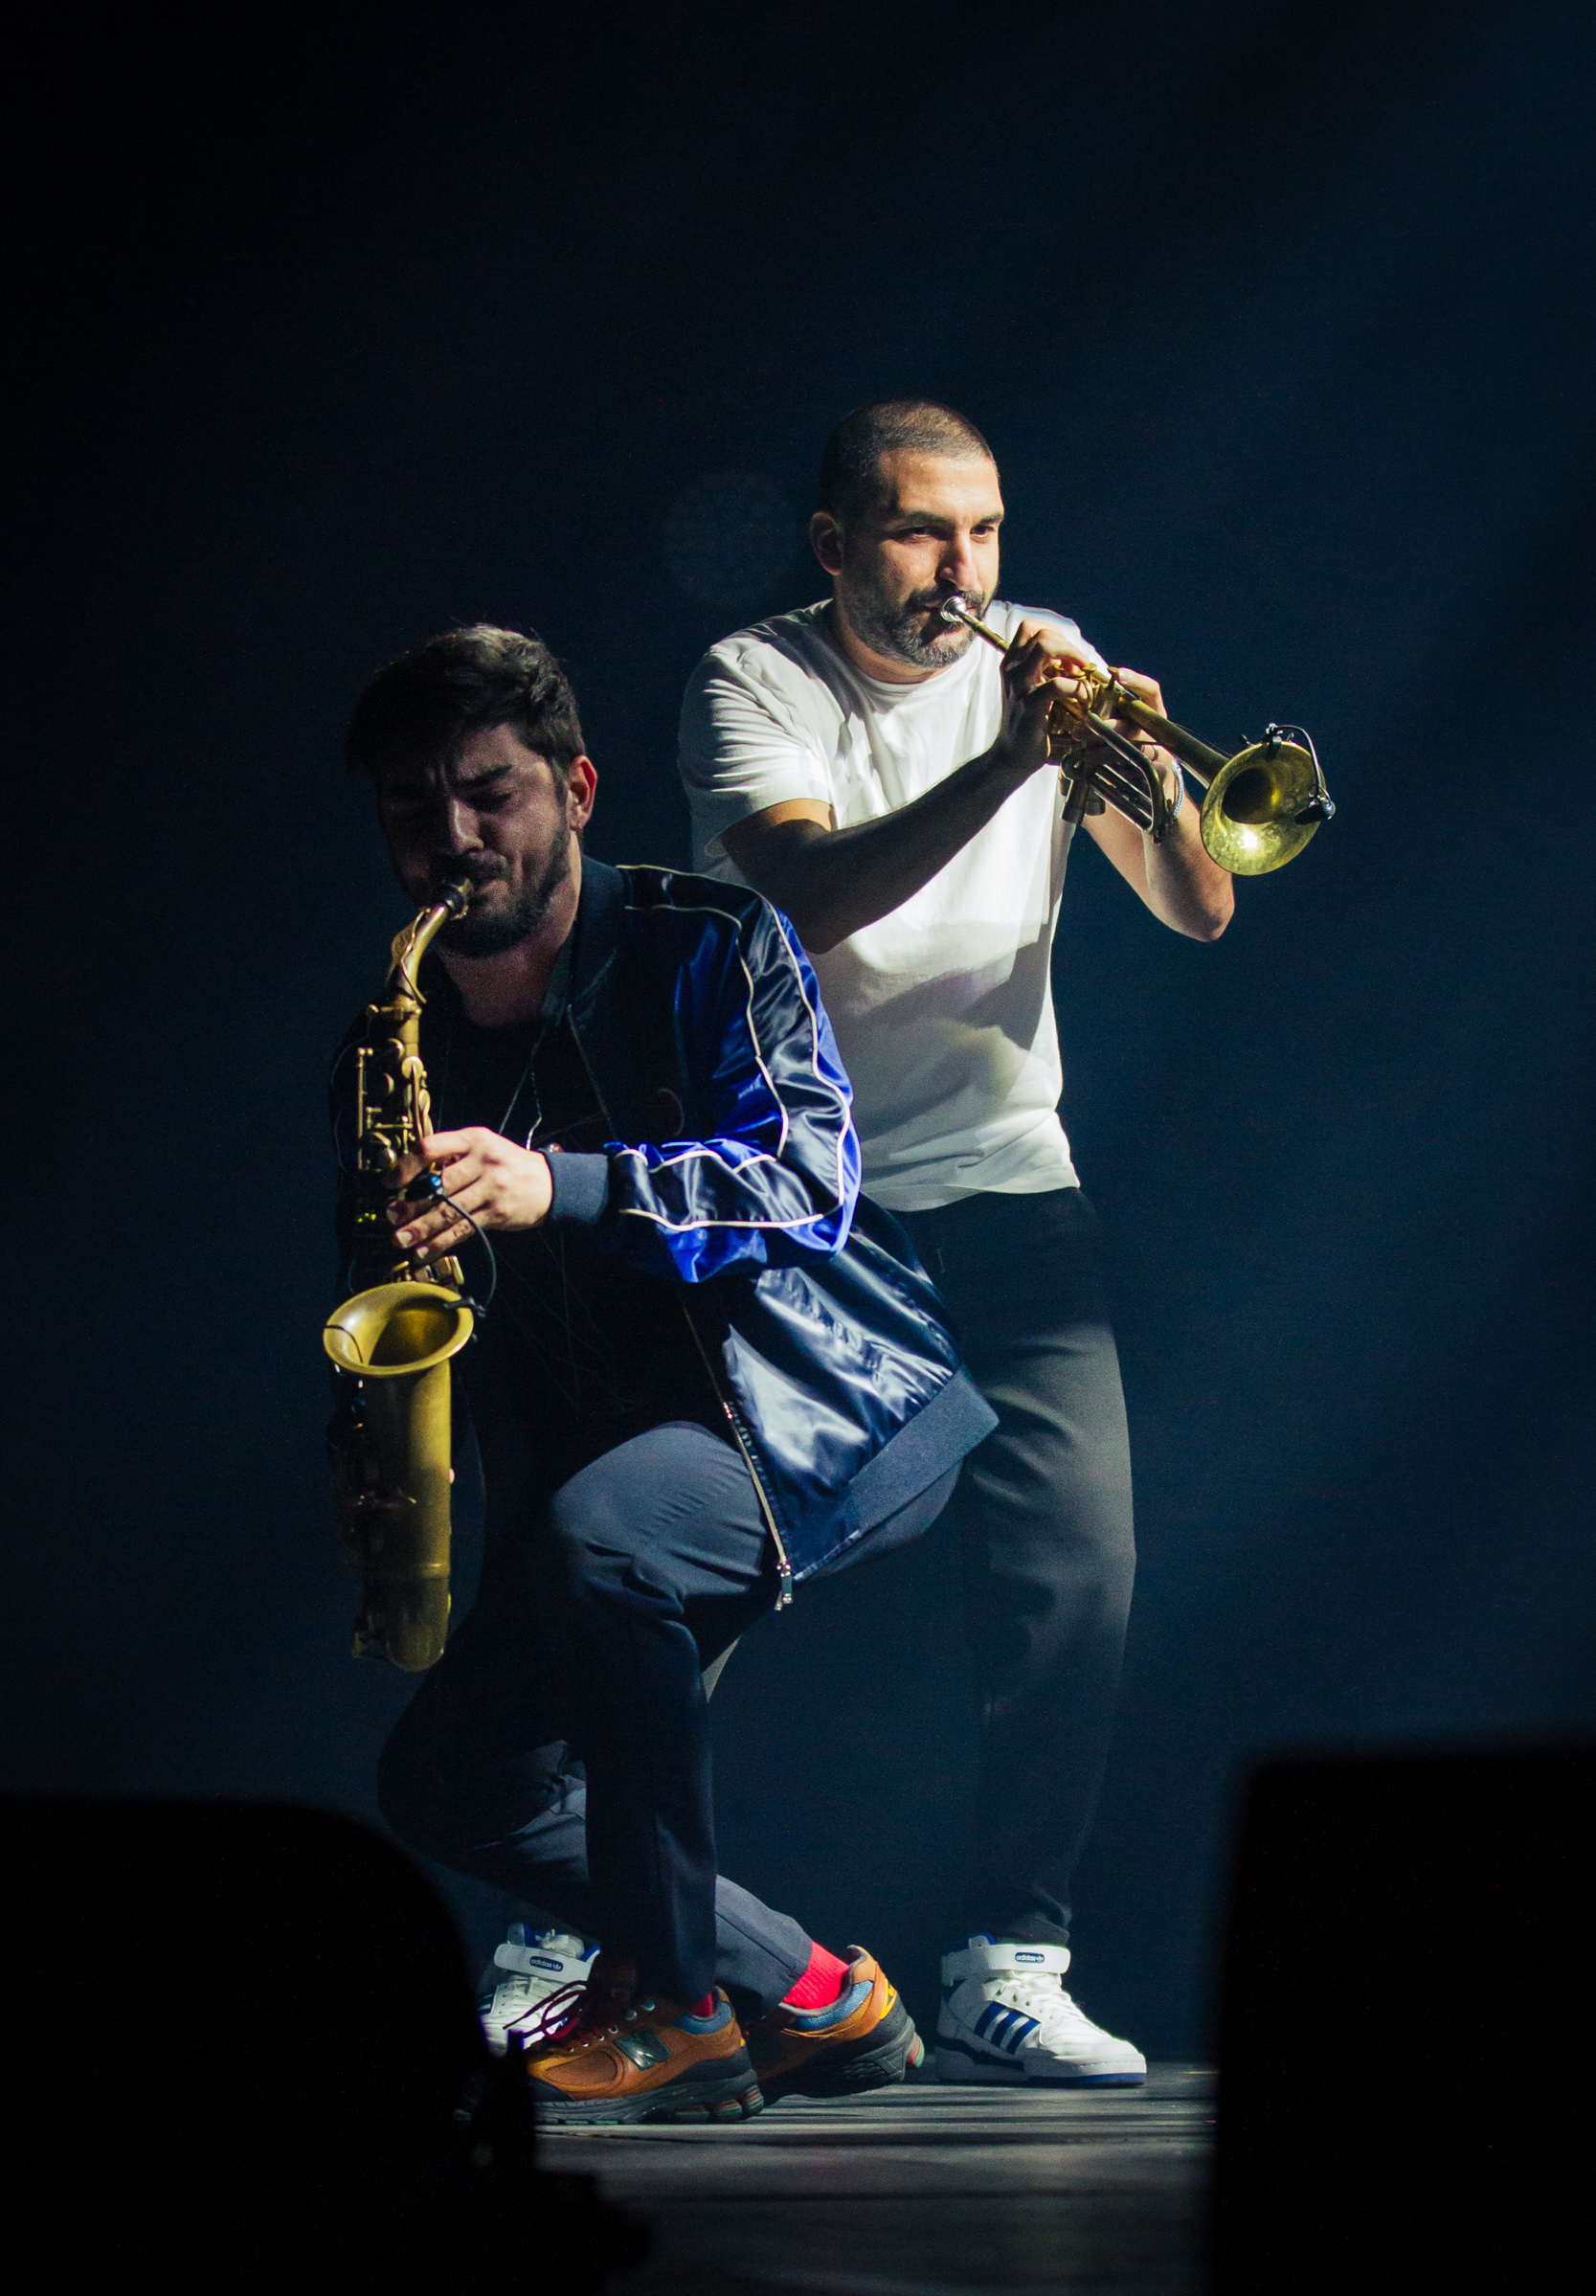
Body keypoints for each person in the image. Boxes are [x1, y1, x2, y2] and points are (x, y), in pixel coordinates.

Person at [332, 623, 996, 2126]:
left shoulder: (715, 940)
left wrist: (560, 1185)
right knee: (448, 1783)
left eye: (490, 793)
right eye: (413, 806)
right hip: (604, 1464)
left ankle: (687, 2013)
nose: (453, 838)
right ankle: (816, 1995)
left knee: (611, 1540)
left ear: (575, 790)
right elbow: (388, 1292)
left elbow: (808, 1184)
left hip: (830, 1414)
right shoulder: (394, 1039)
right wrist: (368, 1441)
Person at [680, 400, 1235, 2086]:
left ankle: (1013, 1959)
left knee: (1078, 1576)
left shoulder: (1048, 660)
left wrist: (1145, 781)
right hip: (808, 1195)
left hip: (1007, 1179)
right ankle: (593, 1915)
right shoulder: (755, 680)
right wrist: (1008, 766)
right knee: (694, 1574)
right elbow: (802, 895)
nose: (963, 571)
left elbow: (1201, 908)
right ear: (836, 543)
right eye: (923, 532)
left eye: (984, 532)